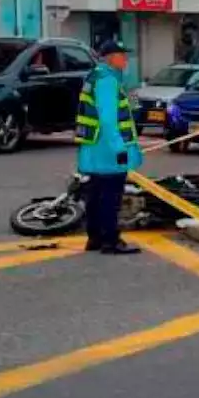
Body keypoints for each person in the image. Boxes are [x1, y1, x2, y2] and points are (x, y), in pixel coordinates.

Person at [74, 40, 144, 254]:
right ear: (110, 58)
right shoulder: (107, 81)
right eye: (122, 55)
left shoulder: (95, 76)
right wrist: (119, 148)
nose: (125, 59)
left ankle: (95, 238)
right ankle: (110, 241)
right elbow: (107, 119)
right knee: (110, 195)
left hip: (95, 147)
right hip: (108, 149)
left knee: (96, 193)